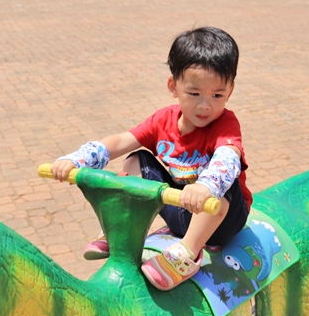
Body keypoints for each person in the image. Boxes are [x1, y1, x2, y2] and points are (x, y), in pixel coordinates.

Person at [51, 27, 252, 291]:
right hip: (181, 207)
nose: (205, 105)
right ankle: (121, 228)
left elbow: (228, 158)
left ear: (230, 91)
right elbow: (122, 141)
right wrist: (80, 159)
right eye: (194, 94)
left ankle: (187, 254)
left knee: (226, 186)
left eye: (217, 95)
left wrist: (205, 187)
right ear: (174, 87)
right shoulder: (163, 120)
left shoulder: (225, 123)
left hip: (219, 218)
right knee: (137, 159)